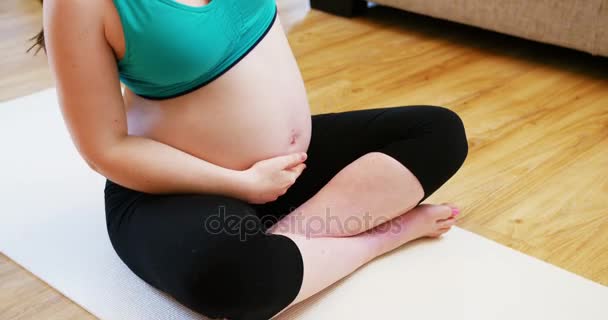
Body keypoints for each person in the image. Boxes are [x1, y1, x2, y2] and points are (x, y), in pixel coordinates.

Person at [35, 0, 468, 319]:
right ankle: (381, 237)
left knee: (437, 132)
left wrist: (263, 181)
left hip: (286, 169)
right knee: (232, 275)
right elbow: (105, 149)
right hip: (172, 187)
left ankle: (285, 243)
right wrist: (238, 183)